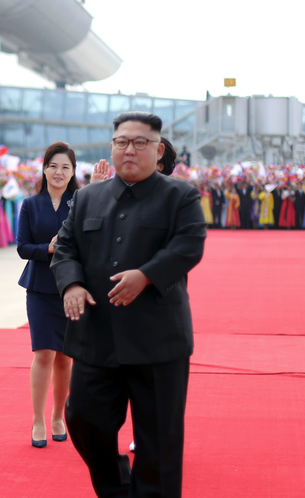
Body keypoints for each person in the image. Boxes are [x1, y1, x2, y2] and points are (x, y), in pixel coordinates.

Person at [51, 111, 206, 497]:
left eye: (140, 142)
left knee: (159, 438)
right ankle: (117, 485)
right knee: (83, 418)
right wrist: (70, 284)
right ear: (112, 147)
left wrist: (147, 274)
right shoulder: (87, 197)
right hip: (96, 336)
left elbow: (189, 245)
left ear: (158, 149)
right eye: (122, 141)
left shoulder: (180, 195)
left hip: (157, 340)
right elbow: (65, 248)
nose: (130, 149)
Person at [16, 141, 78, 448]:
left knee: (65, 358)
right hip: (39, 287)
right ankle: (37, 419)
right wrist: (48, 249)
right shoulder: (30, 204)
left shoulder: (79, 202)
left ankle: (58, 415)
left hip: (69, 287)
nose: (58, 171)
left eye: (65, 167)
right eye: (53, 165)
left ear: (72, 172)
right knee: (43, 353)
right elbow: (22, 248)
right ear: (44, 168)